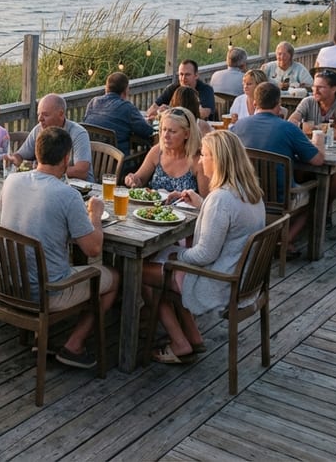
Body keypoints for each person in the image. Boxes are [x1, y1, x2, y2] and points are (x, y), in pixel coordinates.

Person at [0, 126, 119, 369]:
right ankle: (74, 344)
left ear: (38, 154)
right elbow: (93, 249)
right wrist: (95, 214)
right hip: (49, 292)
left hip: (8, 284)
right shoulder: (67, 195)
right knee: (114, 277)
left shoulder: (11, 181)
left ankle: (44, 337)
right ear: (66, 159)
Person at [145, 130, 266, 365]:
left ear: (219, 160)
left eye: (205, 155)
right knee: (166, 264)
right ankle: (193, 336)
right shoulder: (249, 192)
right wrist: (202, 204)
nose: (200, 160)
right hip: (242, 278)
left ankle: (180, 343)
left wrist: (172, 253)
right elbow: (230, 224)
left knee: (142, 274)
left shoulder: (220, 198)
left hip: (217, 281)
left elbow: (203, 255)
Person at [233, 82, 325, 251]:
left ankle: (274, 239)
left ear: (254, 103)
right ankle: (283, 241)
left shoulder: (237, 127)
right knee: (314, 197)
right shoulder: (288, 128)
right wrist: (319, 141)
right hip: (280, 199)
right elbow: (318, 160)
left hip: (244, 194)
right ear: (278, 104)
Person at [288, 69, 336, 208]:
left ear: (334, 89)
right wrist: (324, 129)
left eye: (320, 87)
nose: (315, 90)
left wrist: (309, 128)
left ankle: (325, 211)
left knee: (334, 176)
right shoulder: (308, 101)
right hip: (310, 152)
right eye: (314, 86)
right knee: (296, 169)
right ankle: (304, 209)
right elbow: (291, 123)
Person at [124, 107, 208, 202]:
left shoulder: (199, 160)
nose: (166, 136)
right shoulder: (157, 151)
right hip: (154, 212)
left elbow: (205, 202)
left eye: (172, 131)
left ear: (186, 134)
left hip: (188, 215)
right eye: (164, 130)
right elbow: (140, 180)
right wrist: (132, 179)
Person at [7, 93, 93, 183]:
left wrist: (45, 170)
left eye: (45, 115)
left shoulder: (78, 133)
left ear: (61, 114)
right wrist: (17, 162)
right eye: (38, 114)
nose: (40, 119)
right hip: (46, 183)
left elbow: (81, 172)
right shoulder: (39, 129)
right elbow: (19, 155)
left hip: (80, 189)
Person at [83, 71, 154, 158]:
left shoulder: (93, 102)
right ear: (125, 91)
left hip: (92, 158)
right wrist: (149, 122)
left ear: (106, 88)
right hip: (118, 163)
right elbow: (147, 131)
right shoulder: (127, 107)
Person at [147, 60, 215, 120]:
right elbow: (150, 111)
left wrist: (171, 111)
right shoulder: (173, 88)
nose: (183, 78)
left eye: (187, 74)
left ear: (196, 75)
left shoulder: (206, 89)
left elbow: (204, 114)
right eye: (181, 74)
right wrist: (160, 111)